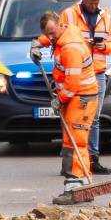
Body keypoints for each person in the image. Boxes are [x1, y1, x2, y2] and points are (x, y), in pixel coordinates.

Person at [36, 11, 101, 195]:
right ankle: (77, 179)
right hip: (76, 98)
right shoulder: (63, 34)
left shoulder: (70, 49)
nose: (50, 37)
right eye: (46, 34)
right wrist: (37, 44)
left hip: (81, 98)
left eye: (51, 33)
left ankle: (76, 183)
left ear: (60, 25)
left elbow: (73, 83)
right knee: (71, 139)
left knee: (77, 140)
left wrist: (59, 99)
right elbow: (49, 36)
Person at [60, 0, 111, 174]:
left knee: (93, 118)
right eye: (90, 3)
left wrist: (103, 46)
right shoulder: (69, 15)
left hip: (97, 74)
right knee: (72, 117)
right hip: (75, 72)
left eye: (96, 3)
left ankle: (93, 159)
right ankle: (71, 160)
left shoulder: (106, 17)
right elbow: (59, 39)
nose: (93, 6)